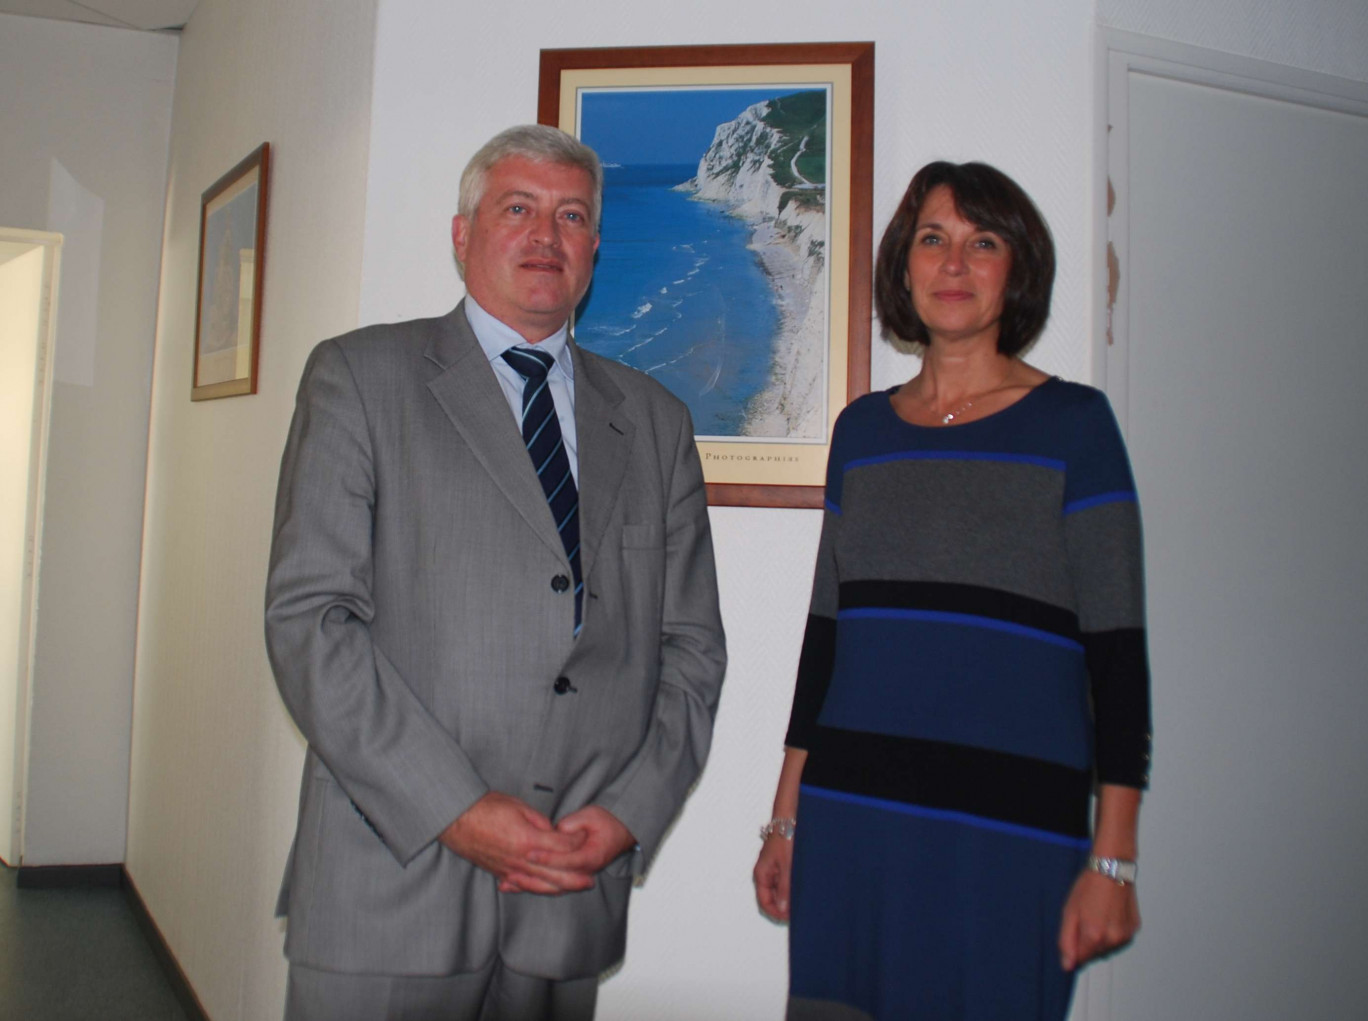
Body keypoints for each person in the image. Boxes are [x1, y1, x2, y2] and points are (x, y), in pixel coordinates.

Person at [265, 124, 727, 1021]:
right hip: (387, 886)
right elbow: (310, 622)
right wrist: (459, 808)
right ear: (462, 232)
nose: (546, 236)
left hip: (567, 892)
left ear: (595, 247)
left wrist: (629, 812)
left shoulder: (657, 422)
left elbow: (691, 648)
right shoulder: (359, 378)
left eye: (572, 216)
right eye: (518, 209)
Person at [753, 161, 1150, 1020]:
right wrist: (785, 819)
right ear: (904, 264)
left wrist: (1112, 859)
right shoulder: (861, 430)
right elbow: (826, 634)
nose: (955, 264)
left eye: (984, 242)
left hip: (1011, 840)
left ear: (1019, 271)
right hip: (854, 823)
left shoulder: (1076, 427)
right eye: (933, 239)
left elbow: (1119, 659)